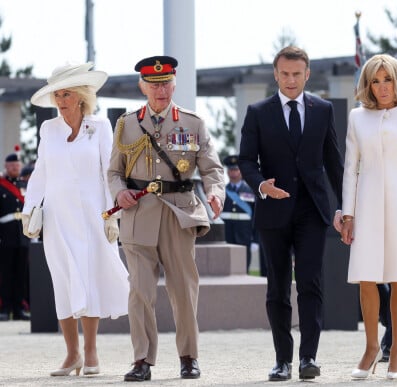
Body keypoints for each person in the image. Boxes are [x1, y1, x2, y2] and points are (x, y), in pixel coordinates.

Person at [107, 55, 225, 382]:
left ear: (175, 83)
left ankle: (189, 357)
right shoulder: (127, 124)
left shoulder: (192, 123)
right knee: (140, 291)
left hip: (178, 213)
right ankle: (142, 360)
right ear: (142, 86)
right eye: (154, 84)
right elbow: (114, 172)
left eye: (166, 83)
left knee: (184, 290)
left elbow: (212, 169)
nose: (161, 90)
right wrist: (119, 193)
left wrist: (216, 193)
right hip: (138, 214)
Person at [238, 46, 343, 381]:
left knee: (310, 284)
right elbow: (245, 161)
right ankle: (282, 360)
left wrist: (346, 206)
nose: (291, 79)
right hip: (273, 211)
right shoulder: (257, 112)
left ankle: (308, 358)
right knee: (277, 287)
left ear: (307, 74)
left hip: (313, 211)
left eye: (297, 74)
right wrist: (260, 185)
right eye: (284, 74)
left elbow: (334, 162)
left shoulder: (323, 109)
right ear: (276, 74)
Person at [22, 62, 129, 376]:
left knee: (88, 279)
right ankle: (72, 355)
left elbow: (109, 172)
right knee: (64, 281)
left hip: (91, 217)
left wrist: (112, 215)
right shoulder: (48, 129)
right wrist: (30, 210)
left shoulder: (100, 127)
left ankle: (91, 352)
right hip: (57, 217)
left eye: (66, 93)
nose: (61, 99)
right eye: (57, 94)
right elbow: (40, 172)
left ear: (82, 96)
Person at [336, 54, 397, 380]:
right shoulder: (357, 117)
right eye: (375, 80)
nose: (382, 87)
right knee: (366, 278)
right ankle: (370, 348)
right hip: (365, 205)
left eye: (387, 79)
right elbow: (350, 168)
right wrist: (348, 213)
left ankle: (396, 352)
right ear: (367, 84)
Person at [0, 152, 30, 321]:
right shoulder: (1, 186)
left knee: (21, 274)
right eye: (11, 166)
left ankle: (19, 308)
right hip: (6, 236)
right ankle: (5, 308)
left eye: (17, 166)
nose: (14, 169)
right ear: (6, 166)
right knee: (6, 274)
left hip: (22, 236)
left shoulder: (24, 185)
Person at [221, 155, 255, 271]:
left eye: (236, 169)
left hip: (245, 232)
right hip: (227, 231)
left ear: (241, 171)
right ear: (227, 172)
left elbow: (255, 214)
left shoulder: (251, 190)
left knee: (244, 262)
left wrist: (255, 238)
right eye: (231, 170)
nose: (233, 172)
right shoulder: (221, 191)